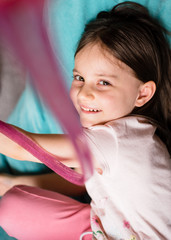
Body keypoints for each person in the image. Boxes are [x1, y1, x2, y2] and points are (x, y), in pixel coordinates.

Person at [0, 1, 171, 239]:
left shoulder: (114, 141)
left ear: (142, 93)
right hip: (105, 225)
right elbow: (82, 181)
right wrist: (11, 181)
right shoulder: (128, 134)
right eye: (79, 77)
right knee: (13, 207)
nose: (83, 94)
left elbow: (23, 145)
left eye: (104, 82)